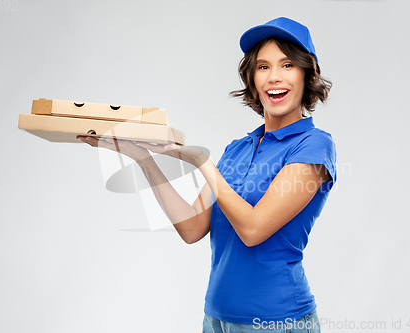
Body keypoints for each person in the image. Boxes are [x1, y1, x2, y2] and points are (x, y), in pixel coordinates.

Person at [78, 17, 335, 333]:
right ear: (252, 78)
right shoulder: (237, 149)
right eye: (263, 67)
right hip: (216, 320)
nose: (274, 77)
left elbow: (253, 230)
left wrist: (202, 164)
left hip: (277, 322)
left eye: (287, 65)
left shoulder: (314, 146)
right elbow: (192, 228)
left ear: (306, 74)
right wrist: (142, 158)